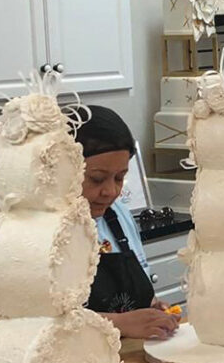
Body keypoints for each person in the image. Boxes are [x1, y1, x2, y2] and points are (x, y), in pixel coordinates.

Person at [74, 106, 180, 340]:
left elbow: (135, 295)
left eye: (120, 178)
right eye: (97, 179)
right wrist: (120, 323)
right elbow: (37, 323)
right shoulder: (33, 234)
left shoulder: (117, 214)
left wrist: (152, 309)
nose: (111, 191)